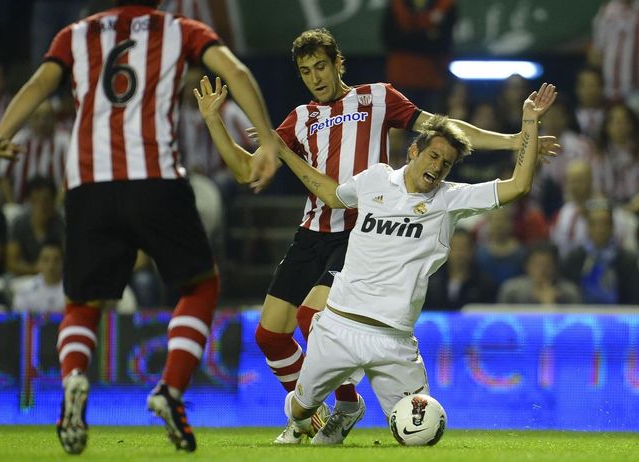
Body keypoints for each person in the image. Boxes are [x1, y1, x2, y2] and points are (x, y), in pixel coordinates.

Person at [198, 28, 558, 444]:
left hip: (359, 230)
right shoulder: (299, 119)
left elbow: (443, 129)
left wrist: (514, 140)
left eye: (321, 67)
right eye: (305, 71)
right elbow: (247, 171)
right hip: (312, 231)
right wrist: (213, 122)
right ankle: (313, 414)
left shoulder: (376, 98)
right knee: (268, 335)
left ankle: (346, 405)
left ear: (338, 63)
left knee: (311, 316)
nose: (315, 77)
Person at [0, 0, 280, 454]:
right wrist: (268, 139)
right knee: (200, 285)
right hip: (155, 179)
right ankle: (170, 389)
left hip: (88, 185)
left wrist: (3, 130)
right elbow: (236, 72)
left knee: (82, 302)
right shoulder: (180, 29)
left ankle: (74, 377)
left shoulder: (75, 34)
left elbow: (39, 83)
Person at [559, 198, 639, 305]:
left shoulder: (627, 260)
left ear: (612, 227)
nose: (599, 229)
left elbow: (633, 299)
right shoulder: (573, 259)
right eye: (594, 224)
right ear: (587, 227)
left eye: (604, 223)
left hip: (618, 318)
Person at [497, 241, 581, 305]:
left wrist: (549, 304)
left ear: (556, 267)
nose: (542, 270)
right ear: (527, 266)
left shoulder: (569, 293)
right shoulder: (511, 291)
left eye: (547, 265)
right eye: (536, 264)